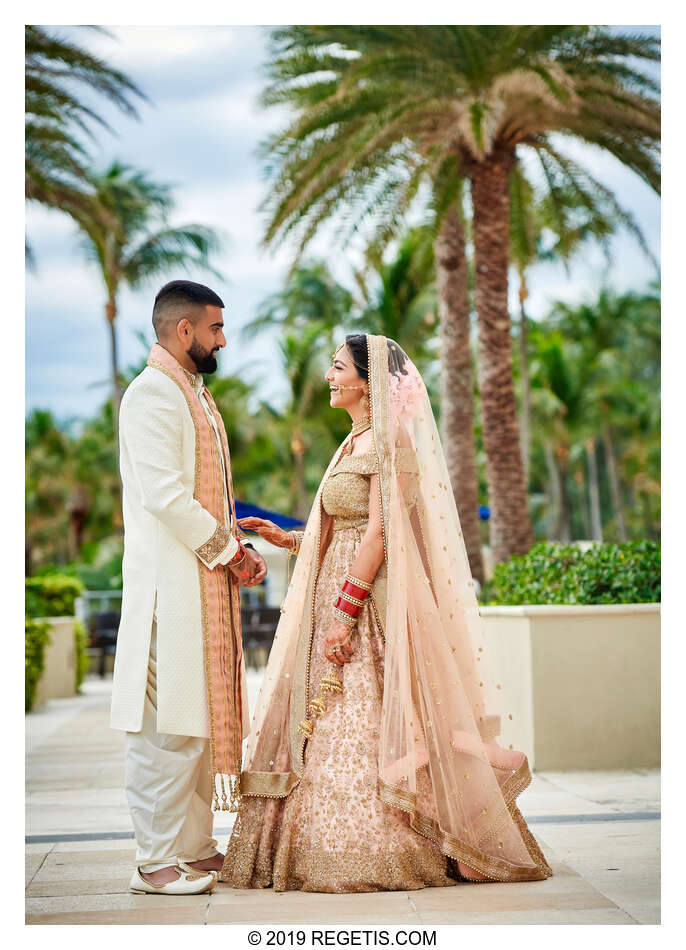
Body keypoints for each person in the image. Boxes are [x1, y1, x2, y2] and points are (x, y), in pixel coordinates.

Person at [221, 333, 553, 892]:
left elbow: (379, 534)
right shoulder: (352, 442)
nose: (328, 377)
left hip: (368, 600)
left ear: (367, 380)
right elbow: (345, 528)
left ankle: (394, 847)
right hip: (337, 587)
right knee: (325, 722)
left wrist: (344, 613)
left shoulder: (387, 438)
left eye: (337, 367)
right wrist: (291, 538)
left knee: (367, 713)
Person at [110, 280, 267, 895]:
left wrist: (235, 547)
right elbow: (166, 497)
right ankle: (154, 862)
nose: (222, 340)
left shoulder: (192, 395)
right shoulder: (152, 395)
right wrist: (230, 552)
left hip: (194, 589)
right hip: (165, 594)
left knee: (194, 721)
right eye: (215, 329)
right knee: (163, 731)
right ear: (184, 331)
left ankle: (194, 848)